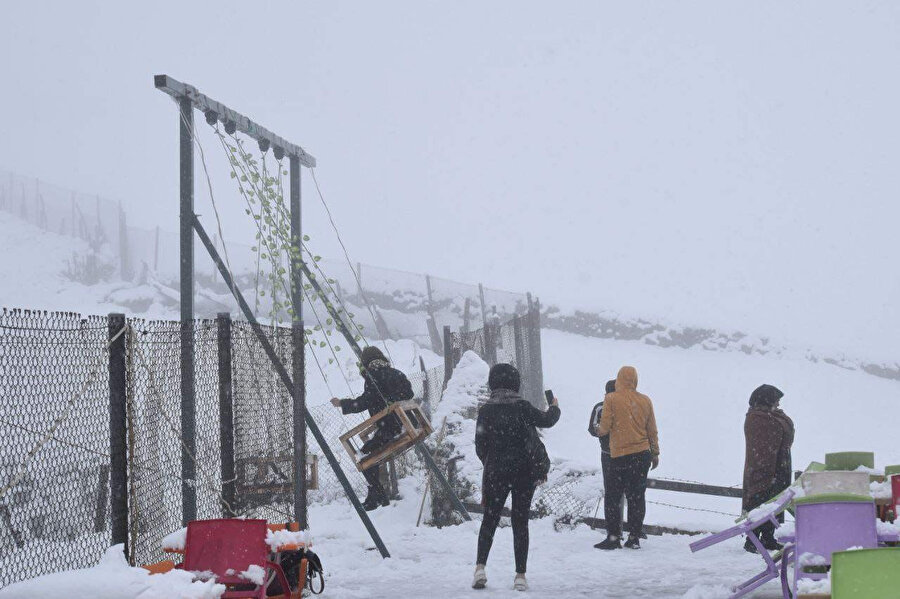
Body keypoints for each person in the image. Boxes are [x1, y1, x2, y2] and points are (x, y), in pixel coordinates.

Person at [472, 363, 560, 592]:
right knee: (520, 522)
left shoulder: (486, 410)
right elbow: (547, 421)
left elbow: (480, 446)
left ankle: (480, 568)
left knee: (489, 519)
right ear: (515, 382)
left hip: (495, 473)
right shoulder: (522, 407)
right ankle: (520, 575)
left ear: (492, 382)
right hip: (524, 472)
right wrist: (555, 407)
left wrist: (492, 463)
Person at [330, 346, 413, 511]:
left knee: (363, 457)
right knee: (368, 453)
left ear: (366, 363)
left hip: (390, 428)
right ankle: (377, 494)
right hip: (406, 423)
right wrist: (392, 402)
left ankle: (376, 495)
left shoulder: (373, 377)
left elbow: (365, 401)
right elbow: (409, 394)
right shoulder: (397, 373)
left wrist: (342, 404)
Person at [595, 366, 659, 550]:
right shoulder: (645, 400)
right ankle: (634, 537)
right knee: (637, 497)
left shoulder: (612, 398)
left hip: (619, 456)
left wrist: (599, 431)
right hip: (642, 455)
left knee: (613, 497)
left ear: (619, 380)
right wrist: (655, 452)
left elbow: (605, 427)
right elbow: (652, 429)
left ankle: (614, 537)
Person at [742, 384, 793, 553]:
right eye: (776, 400)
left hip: (776, 466)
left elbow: (785, 434)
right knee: (760, 500)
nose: (778, 404)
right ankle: (753, 539)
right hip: (763, 468)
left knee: (775, 501)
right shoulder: (758, 418)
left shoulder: (770, 416)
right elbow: (778, 434)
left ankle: (769, 537)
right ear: (766, 400)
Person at [588, 380, 616, 527]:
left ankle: (613, 528)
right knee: (623, 492)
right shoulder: (601, 408)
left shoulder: (601, 407)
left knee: (612, 492)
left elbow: (592, 429)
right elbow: (592, 429)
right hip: (615, 454)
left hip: (613, 454)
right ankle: (620, 527)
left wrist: (603, 431)